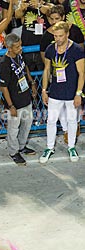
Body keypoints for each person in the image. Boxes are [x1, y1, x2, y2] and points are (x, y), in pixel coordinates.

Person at [40, 21, 84, 163]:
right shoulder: (50, 49)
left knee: (72, 120)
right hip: (55, 92)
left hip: (71, 92)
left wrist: (78, 93)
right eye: (55, 36)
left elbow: (82, 73)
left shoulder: (76, 50)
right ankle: (49, 147)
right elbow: (46, 70)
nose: (57, 39)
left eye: (60, 36)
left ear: (67, 34)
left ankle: (71, 146)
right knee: (51, 120)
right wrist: (44, 90)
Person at [0, 33, 37, 165]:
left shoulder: (19, 55)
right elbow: (3, 87)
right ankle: (13, 151)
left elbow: (25, 67)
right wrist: (11, 106)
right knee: (13, 128)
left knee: (27, 123)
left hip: (25, 95)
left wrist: (32, 83)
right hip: (14, 101)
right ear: (9, 48)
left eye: (20, 45)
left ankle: (22, 146)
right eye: (17, 47)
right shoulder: (5, 63)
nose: (20, 48)